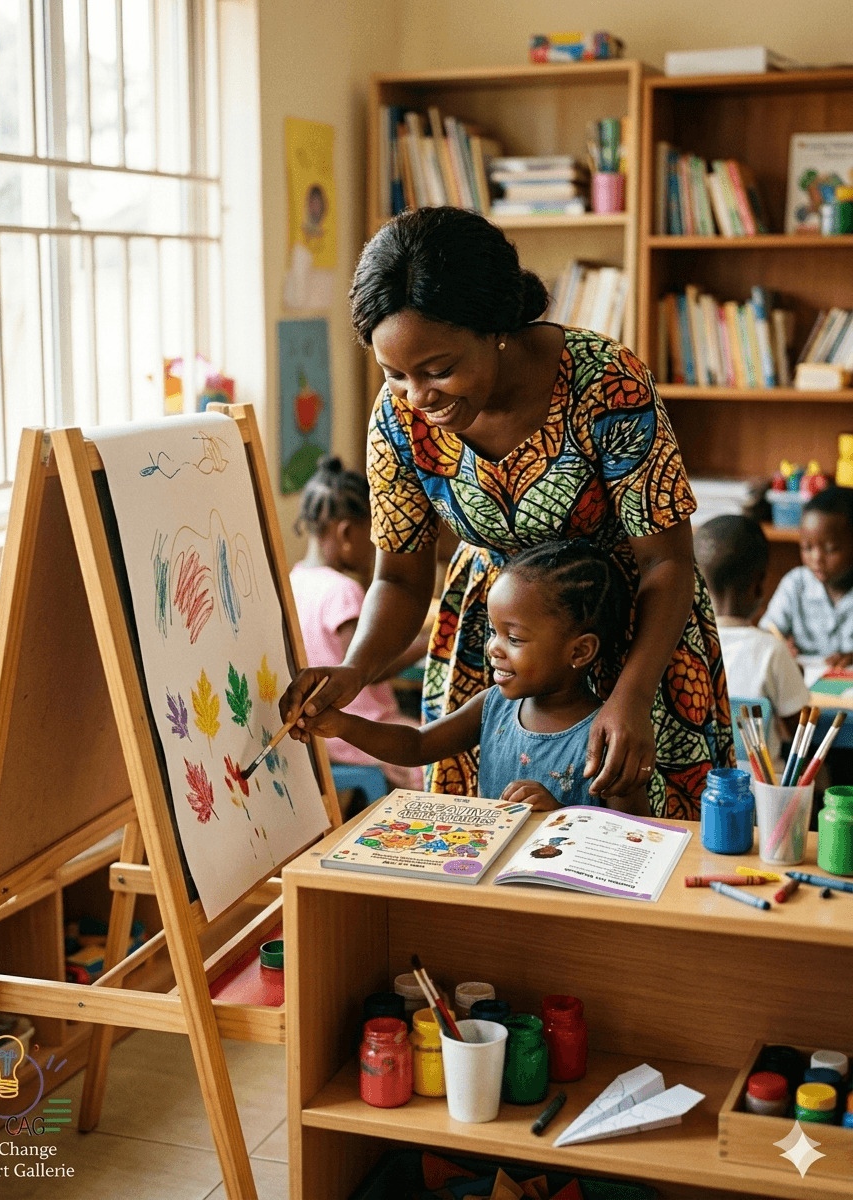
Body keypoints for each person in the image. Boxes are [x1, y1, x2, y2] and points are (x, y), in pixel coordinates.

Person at [281, 206, 733, 819]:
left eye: (439, 370)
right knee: (487, 845)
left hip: (638, 645)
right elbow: (400, 580)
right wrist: (355, 670)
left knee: (639, 844)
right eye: (396, 375)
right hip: (496, 650)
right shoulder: (397, 417)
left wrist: (631, 695)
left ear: (497, 326)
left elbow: (667, 562)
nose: (419, 397)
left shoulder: (605, 381)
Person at [301, 540, 650, 814]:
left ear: (579, 651)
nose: (493, 648)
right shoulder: (493, 707)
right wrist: (341, 725)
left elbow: (635, 839)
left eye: (514, 639)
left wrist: (558, 816)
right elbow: (416, 745)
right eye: (493, 632)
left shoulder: (607, 739)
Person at [289, 456, 425, 792]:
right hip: (357, 730)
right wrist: (434, 639)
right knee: (436, 748)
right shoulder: (342, 591)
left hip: (320, 736)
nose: (376, 546)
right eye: (373, 534)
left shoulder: (294, 580)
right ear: (348, 532)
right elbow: (371, 668)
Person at [694, 514, 809, 765]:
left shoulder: (684, 646)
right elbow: (800, 730)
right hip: (763, 784)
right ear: (758, 585)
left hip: (703, 781)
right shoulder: (771, 650)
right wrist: (795, 677)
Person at [760, 486, 853, 669]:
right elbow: (767, 631)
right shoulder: (795, 584)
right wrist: (777, 644)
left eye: (830, 549)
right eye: (807, 548)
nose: (816, 558)